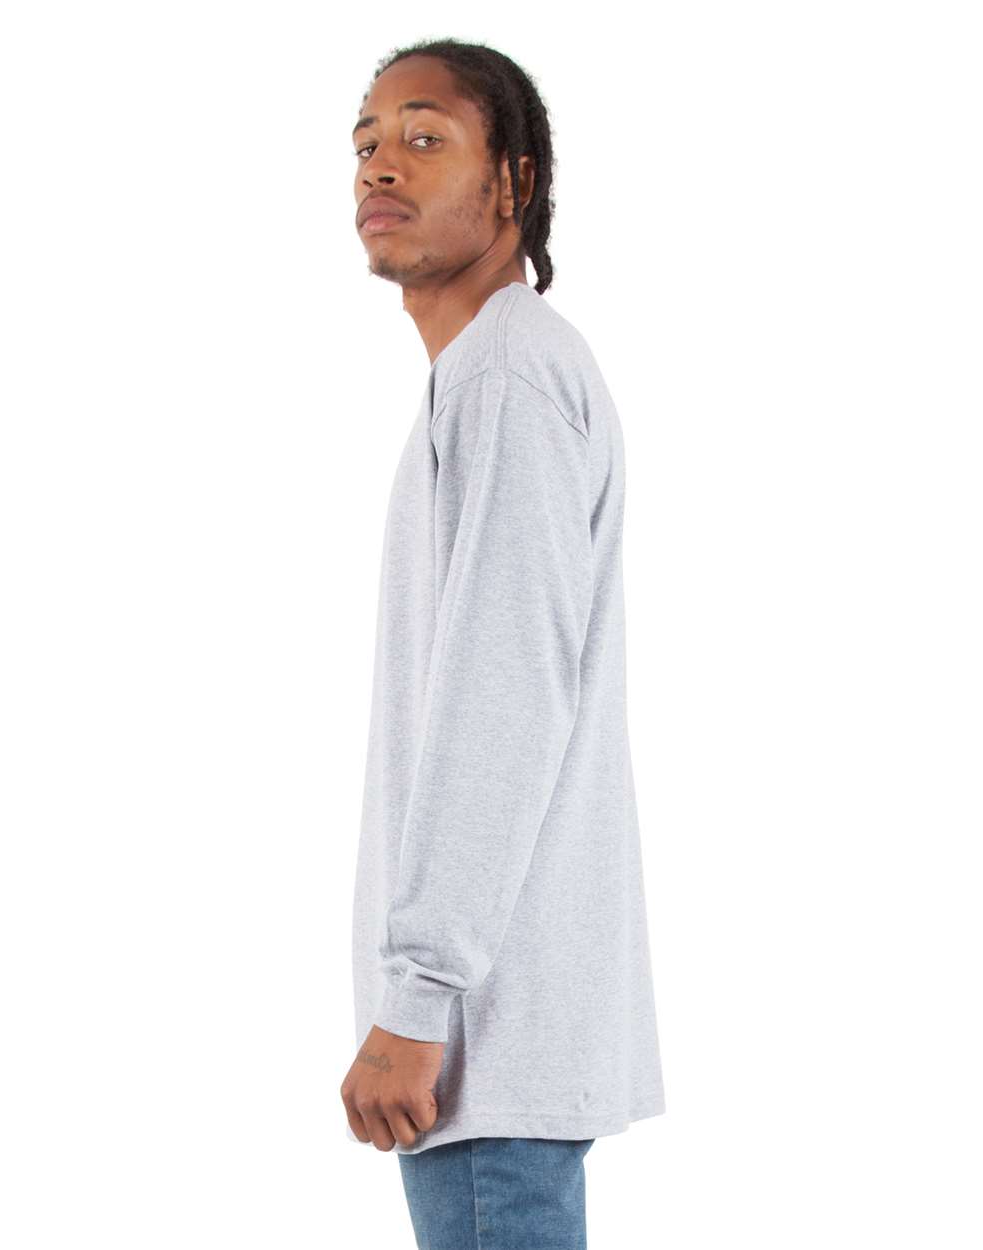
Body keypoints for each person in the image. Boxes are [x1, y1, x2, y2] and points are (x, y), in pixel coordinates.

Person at [339, 37, 665, 1248]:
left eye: (425, 137)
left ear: (514, 181)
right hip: (496, 1034)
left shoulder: (506, 382)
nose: (381, 165)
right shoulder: (492, 374)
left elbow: (505, 694)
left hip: (486, 1031)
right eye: (367, 143)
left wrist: (418, 992)